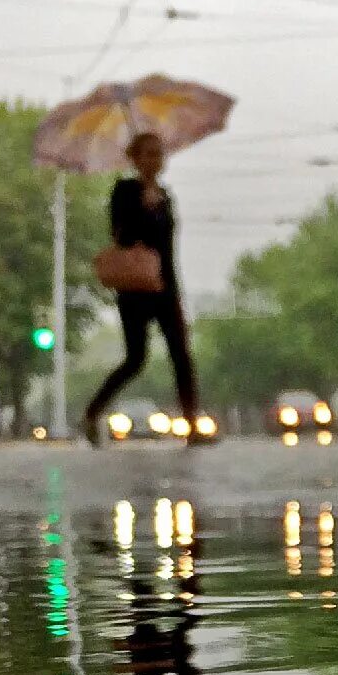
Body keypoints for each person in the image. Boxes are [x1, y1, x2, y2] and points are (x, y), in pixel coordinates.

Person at [83, 132, 202, 446]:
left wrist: (176, 291)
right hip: (135, 290)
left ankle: (191, 426)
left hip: (164, 288)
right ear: (135, 159)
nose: (154, 160)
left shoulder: (166, 195)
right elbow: (121, 235)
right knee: (136, 358)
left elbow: (166, 247)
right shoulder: (124, 191)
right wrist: (144, 209)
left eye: (158, 154)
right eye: (147, 154)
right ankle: (92, 412)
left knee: (181, 354)